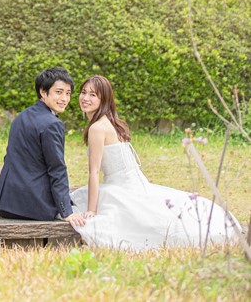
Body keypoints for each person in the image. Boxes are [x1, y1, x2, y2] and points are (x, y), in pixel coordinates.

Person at [70, 75, 241, 249]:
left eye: (93, 95)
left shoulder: (97, 128)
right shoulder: (112, 123)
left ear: (104, 99)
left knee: (79, 200)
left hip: (121, 186)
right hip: (134, 182)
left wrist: (91, 211)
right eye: (84, 92)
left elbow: (94, 172)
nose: (85, 98)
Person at [0, 67, 86, 226]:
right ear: (43, 92)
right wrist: (66, 211)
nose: (64, 99)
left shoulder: (22, 116)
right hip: (33, 207)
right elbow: (57, 169)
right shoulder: (53, 124)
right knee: (88, 213)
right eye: (58, 92)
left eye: (68, 93)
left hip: (5, 203)